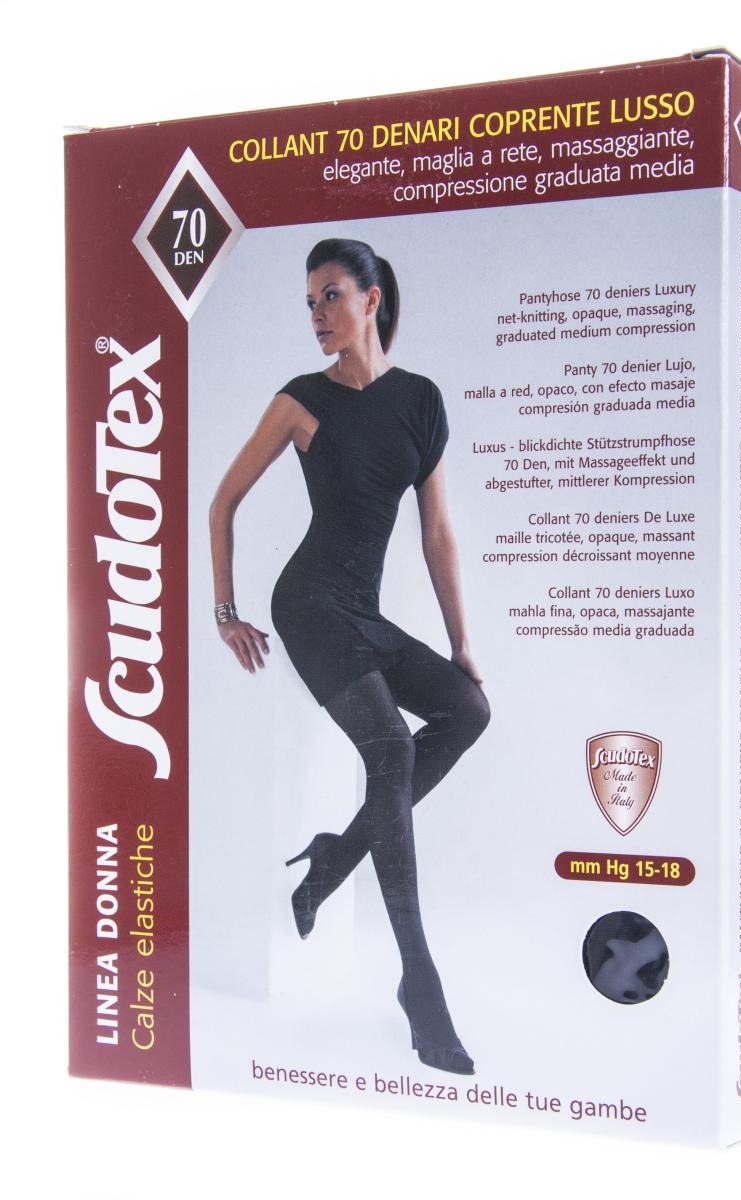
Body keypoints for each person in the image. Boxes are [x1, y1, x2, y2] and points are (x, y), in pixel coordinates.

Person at [209, 237, 490, 1075]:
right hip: (308, 605)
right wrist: (226, 612)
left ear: (371, 298)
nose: (317, 315)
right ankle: (420, 983)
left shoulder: (420, 401)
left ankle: (332, 859)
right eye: (309, 302)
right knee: (393, 750)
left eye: (330, 295)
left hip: (363, 614)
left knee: (468, 709)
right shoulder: (301, 401)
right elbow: (223, 501)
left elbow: (437, 533)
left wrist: (461, 644)